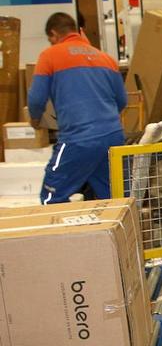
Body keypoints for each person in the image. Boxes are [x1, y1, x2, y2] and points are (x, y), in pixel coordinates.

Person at [27, 12, 126, 205]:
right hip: (113, 137)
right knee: (116, 198)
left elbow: (37, 98)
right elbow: (121, 101)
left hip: (79, 138)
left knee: (51, 197)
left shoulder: (50, 55)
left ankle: (64, 234)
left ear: (54, 34)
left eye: (50, 40)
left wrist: (35, 120)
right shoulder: (106, 58)